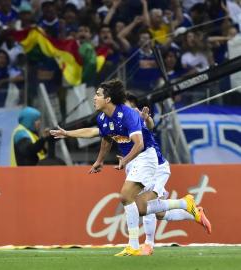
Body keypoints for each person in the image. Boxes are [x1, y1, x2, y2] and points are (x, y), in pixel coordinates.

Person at [50, 79, 205, 256]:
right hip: (133, 161)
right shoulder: (102, 117)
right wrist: (95, 157)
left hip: (145, 157)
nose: (94, 98)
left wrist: (124, 160)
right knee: (141, 207)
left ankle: (138, 245)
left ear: (108, 99)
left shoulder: (129, 114)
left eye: (98, 95)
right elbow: (104, 138)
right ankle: (184, 204)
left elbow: (139, 144)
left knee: (125, 196)